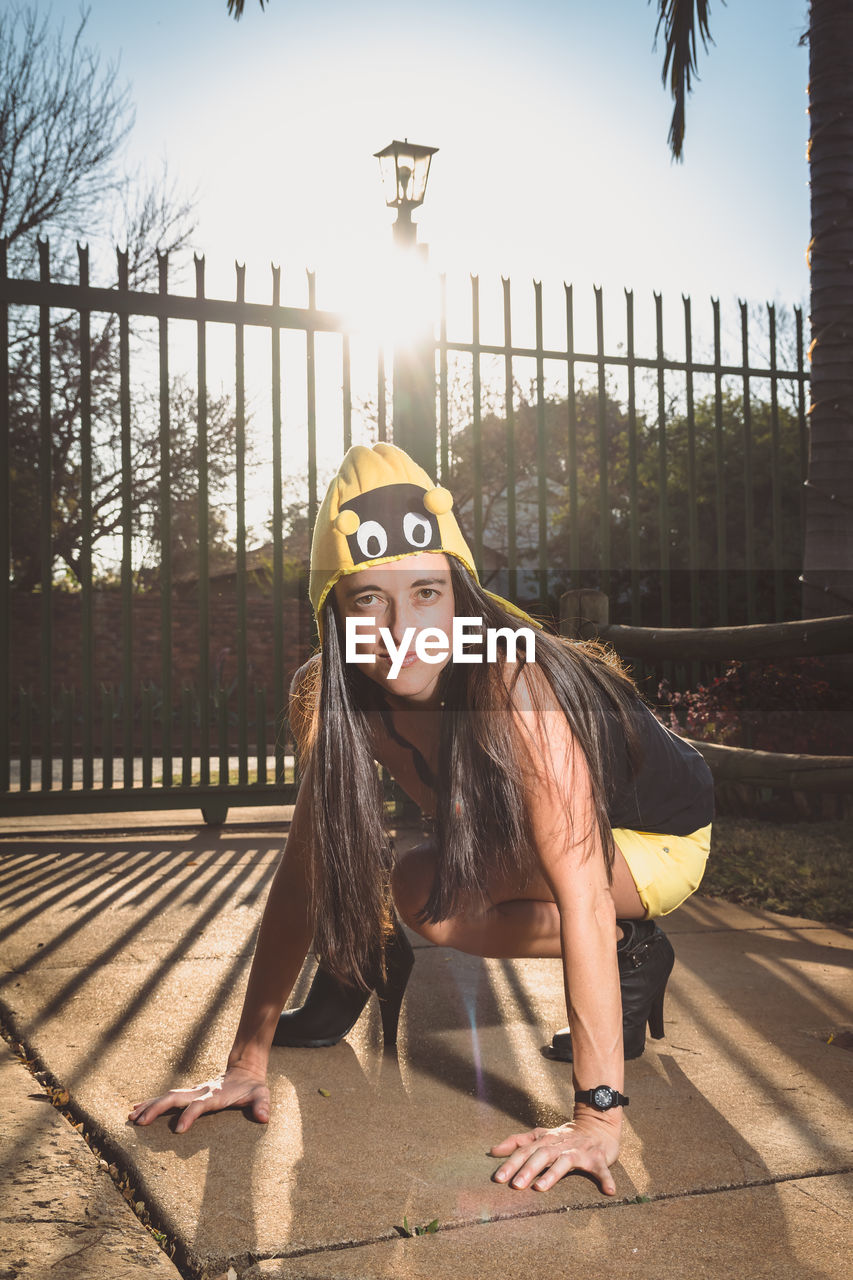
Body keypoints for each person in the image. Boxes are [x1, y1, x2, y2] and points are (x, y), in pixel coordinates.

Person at [130, 443, 713, 1197]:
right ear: (333, 614)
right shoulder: (331, 691)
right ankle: (373, 963)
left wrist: (596, 1119)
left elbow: (581, 891)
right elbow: (304, 873)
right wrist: (243, 1064)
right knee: (420, 889)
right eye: (369, 599)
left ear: (460, 596)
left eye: (427, 594)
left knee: (447, 881)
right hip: (530, 838)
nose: (404, 627)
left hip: (656, 838)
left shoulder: (512, 681)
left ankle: (630, 948)